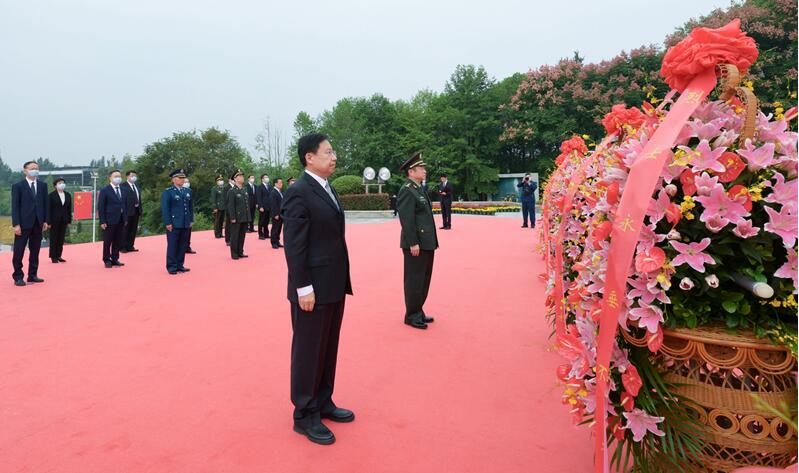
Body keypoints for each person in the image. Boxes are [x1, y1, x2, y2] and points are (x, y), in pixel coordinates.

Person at [283, 133, 354, 445]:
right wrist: (303, 287)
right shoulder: (298, 192)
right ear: (309, 157)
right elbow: (294, 246)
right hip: (311, 288)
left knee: (327, 347)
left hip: (333, 283)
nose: (334, 156)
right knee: (308, 351)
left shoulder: (327, 187)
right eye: (328, 152)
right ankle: (305, 413)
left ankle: (323, 401)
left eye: (333, 151)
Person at [397, 152, 439, 330]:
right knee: (414, 280)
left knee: (424, 279)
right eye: (421, 168)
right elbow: (407, 220)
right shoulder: (407, 190)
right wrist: (413, 242)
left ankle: (418, 311)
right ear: (411, 171)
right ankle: (411, 315)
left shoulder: (418, 188)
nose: (424, 170)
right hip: (416, 244)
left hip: (426, 242)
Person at [11, 161, 49, 286]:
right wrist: (16, 224)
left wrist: (45, 220)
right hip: (23, 224)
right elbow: (15, 206)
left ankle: (32, 275)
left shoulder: (43, 185)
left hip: (38, 223)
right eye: (32, 168)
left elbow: (45, 204)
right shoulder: (18, 186)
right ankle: (18, 276)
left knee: (35, 251)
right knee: (19, 251)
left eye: (37, 168)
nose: (35, 170)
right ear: (25, 171)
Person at [160, 169, 194, 274]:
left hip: (185, 222)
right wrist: (168, 222)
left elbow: (190, 207)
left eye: (183, 178)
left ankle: (180, 265)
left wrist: (191, 220)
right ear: (174, 179)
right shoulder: (168, 192)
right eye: (180, 178)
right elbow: (166, 208)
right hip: (174, 223)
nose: (182, 180)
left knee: (182, 245)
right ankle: (172, 266)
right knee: (173, 245)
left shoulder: (187, 191)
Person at [98, 170, 127, 268]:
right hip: (109, 220)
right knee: (107, 241)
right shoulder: (105, 190)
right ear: (110, 178)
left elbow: (125, 205)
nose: (118, 178)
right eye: (115, 176)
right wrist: (102, 221)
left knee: (118, 240)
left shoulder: (123, 189)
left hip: (121, 219)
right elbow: (101, 207)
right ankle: (106, 260)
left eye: (119, 176)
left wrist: (125, 218)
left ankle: (115, 258)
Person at [226, 170, 250, 259]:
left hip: (244, 216)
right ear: (235, 179)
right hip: (236, 217)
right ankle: (234, 253)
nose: (242, 178)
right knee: (235, 236)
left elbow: (246, 204)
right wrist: (232, 217)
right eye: (239, 176)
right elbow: (230, 205)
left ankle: (240, 251)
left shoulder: (244, 190)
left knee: (242, 235)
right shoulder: (232, 191)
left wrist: (248, 216)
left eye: (242, 176)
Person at [47, 178, 72, 263]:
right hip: (54, 220)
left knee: (61, 238)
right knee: (54, 238)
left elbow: (69, 209)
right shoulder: (51, 195)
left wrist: (69, 220)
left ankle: (59, 255)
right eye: (60, 183)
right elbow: (48, 209)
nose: (62, 184)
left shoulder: (68, 195)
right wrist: (48, 222)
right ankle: (53, 256)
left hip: (64, 220)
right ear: (55, 185)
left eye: (63, 183)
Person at [120, 170, 142, 253]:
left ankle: (130, 246)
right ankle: (122, 247)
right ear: (127, 176)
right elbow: (122, 200)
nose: (134, 177)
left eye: (135, 176)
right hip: (127, 211)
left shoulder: (136, 186)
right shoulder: (123, 186)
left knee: (133, 229)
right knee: (125, 229)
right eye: (132, 175)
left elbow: (139, 198)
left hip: (136, 210)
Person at [256, 174, 272, 240]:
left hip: (268, 207)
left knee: (266, 221)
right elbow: (259, 197)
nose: (267, 178)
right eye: (265, 177)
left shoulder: (270, 186)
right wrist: (260, 206)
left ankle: (266, 234)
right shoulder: (260, 187)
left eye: (267, 177)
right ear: (262, 179)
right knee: (261, 221)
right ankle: (260, 234)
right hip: (263, 207)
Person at [269, 178, 284, 249]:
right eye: (280, 183)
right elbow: (273, 204)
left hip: (281, 214)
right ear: (275, 184)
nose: (281, 184)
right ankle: (273, 242)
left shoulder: (279, 192)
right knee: (275, 228)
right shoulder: (273, 192)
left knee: (279, 228)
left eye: (281, 183)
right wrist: (275, 214)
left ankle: (277, 241)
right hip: (276, 214)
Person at [183, 178, 196, 254]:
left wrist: (191, 219)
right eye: (185, 182)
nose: (187, 183)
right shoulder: (178, 191)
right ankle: (181, 248)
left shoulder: (189, 191)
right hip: (181, 216)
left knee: (188, 233)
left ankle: (187, 247)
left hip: (188, 215)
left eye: (188, 182)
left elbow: (191, 206)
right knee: (182, 234)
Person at [223, 177, 235, 246]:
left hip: (236, 209)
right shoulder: (226, 188)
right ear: (229, 180)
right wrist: (228, 209)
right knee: (228, 225)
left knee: (234, 225)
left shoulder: (236, 187)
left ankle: (233, 239)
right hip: (229, 209)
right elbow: (225, 199)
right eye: (233, 179)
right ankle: (228, 239)